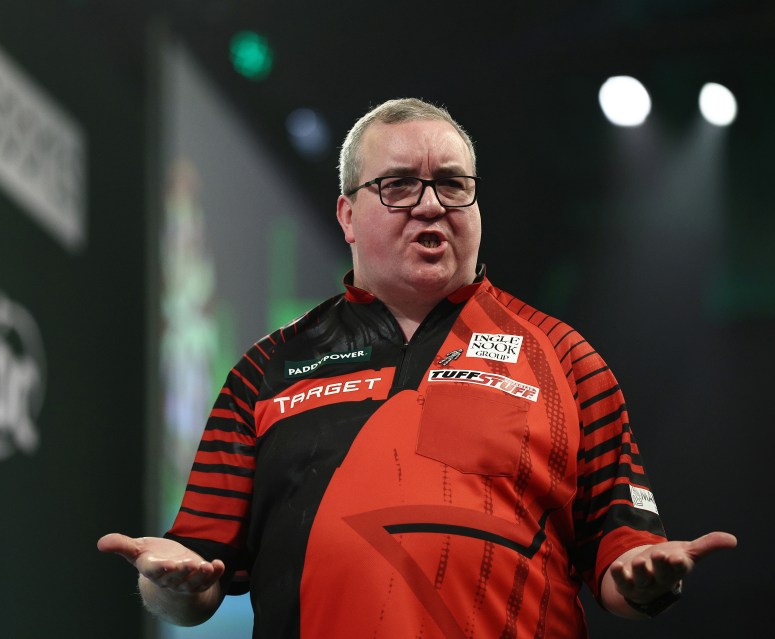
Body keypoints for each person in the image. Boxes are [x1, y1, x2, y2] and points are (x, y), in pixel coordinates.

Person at [99, 98, 737, 637]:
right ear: (348, 215)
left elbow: (622, 553)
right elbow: (196, 578)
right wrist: (169, 582)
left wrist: (643, 575)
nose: (430, 205)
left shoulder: (568, 359)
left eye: (453, 184)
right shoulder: (265, 369)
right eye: (398, 185)